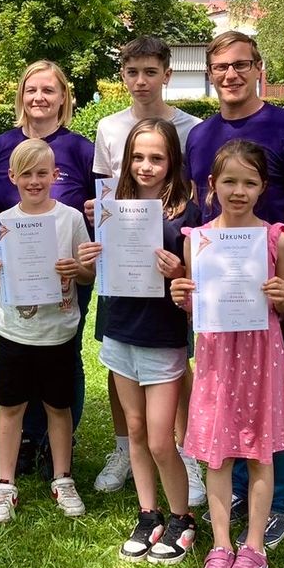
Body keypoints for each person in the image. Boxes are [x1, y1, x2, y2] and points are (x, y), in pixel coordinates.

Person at [184, 30, 284, 548]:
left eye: (240, 64)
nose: (230, 74)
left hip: (267, 294)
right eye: (220, 67)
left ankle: (275, 503)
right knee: (223, 398)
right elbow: (195, 209)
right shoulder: (199, 136)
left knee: (272, 400)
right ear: (210, 74)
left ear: (259, 66)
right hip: (219, 301)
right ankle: (235, 493)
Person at [171, 140, 284, 568]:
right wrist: (182, 297)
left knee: (260, 452)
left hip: (262, 357)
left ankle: (255, 545)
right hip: (218, 361)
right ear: (212, 184)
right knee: (217, 453)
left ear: (263, 187)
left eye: (249, 182)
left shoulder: (276, 238)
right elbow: (195, 311)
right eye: (229, 181)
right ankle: (221, 545)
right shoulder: (197, 241)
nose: (238, 191)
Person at [89, 36, 203, 506]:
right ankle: (124, 448)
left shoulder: (193, 129)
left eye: (150, 72)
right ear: (123, 75)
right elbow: (107, 191)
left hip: (169, 279)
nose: (141, 81)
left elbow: (191, 198)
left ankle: (185, 452)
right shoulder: (109, 128)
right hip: (122, 274)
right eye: (132, 72)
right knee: (121, 361)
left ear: (167, 75)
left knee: (174, 366)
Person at [83, 118, 201, 564]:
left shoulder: (187, 213)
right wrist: (89, 257)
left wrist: (180, 273)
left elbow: (197, 279)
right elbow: (103, 270)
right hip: (119, 329)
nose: (146, 166)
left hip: (161, 337)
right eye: (137, 157)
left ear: (172, 160)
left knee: (158, 438)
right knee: (133, 431)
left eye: (156, 157)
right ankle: (148, 514)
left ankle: (181, 517)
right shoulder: (111, 205)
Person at [0, 60, 95, 477]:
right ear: (21, 95)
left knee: (65, 355)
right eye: (32, 90)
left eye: (49, 90)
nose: (39, 98)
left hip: (66, 276)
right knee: (22, 353)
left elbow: (99, 206)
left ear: (63, 96)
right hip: (16, 276)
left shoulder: (81, 148)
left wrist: (94, 213)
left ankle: (58, 441)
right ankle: (27, 440)